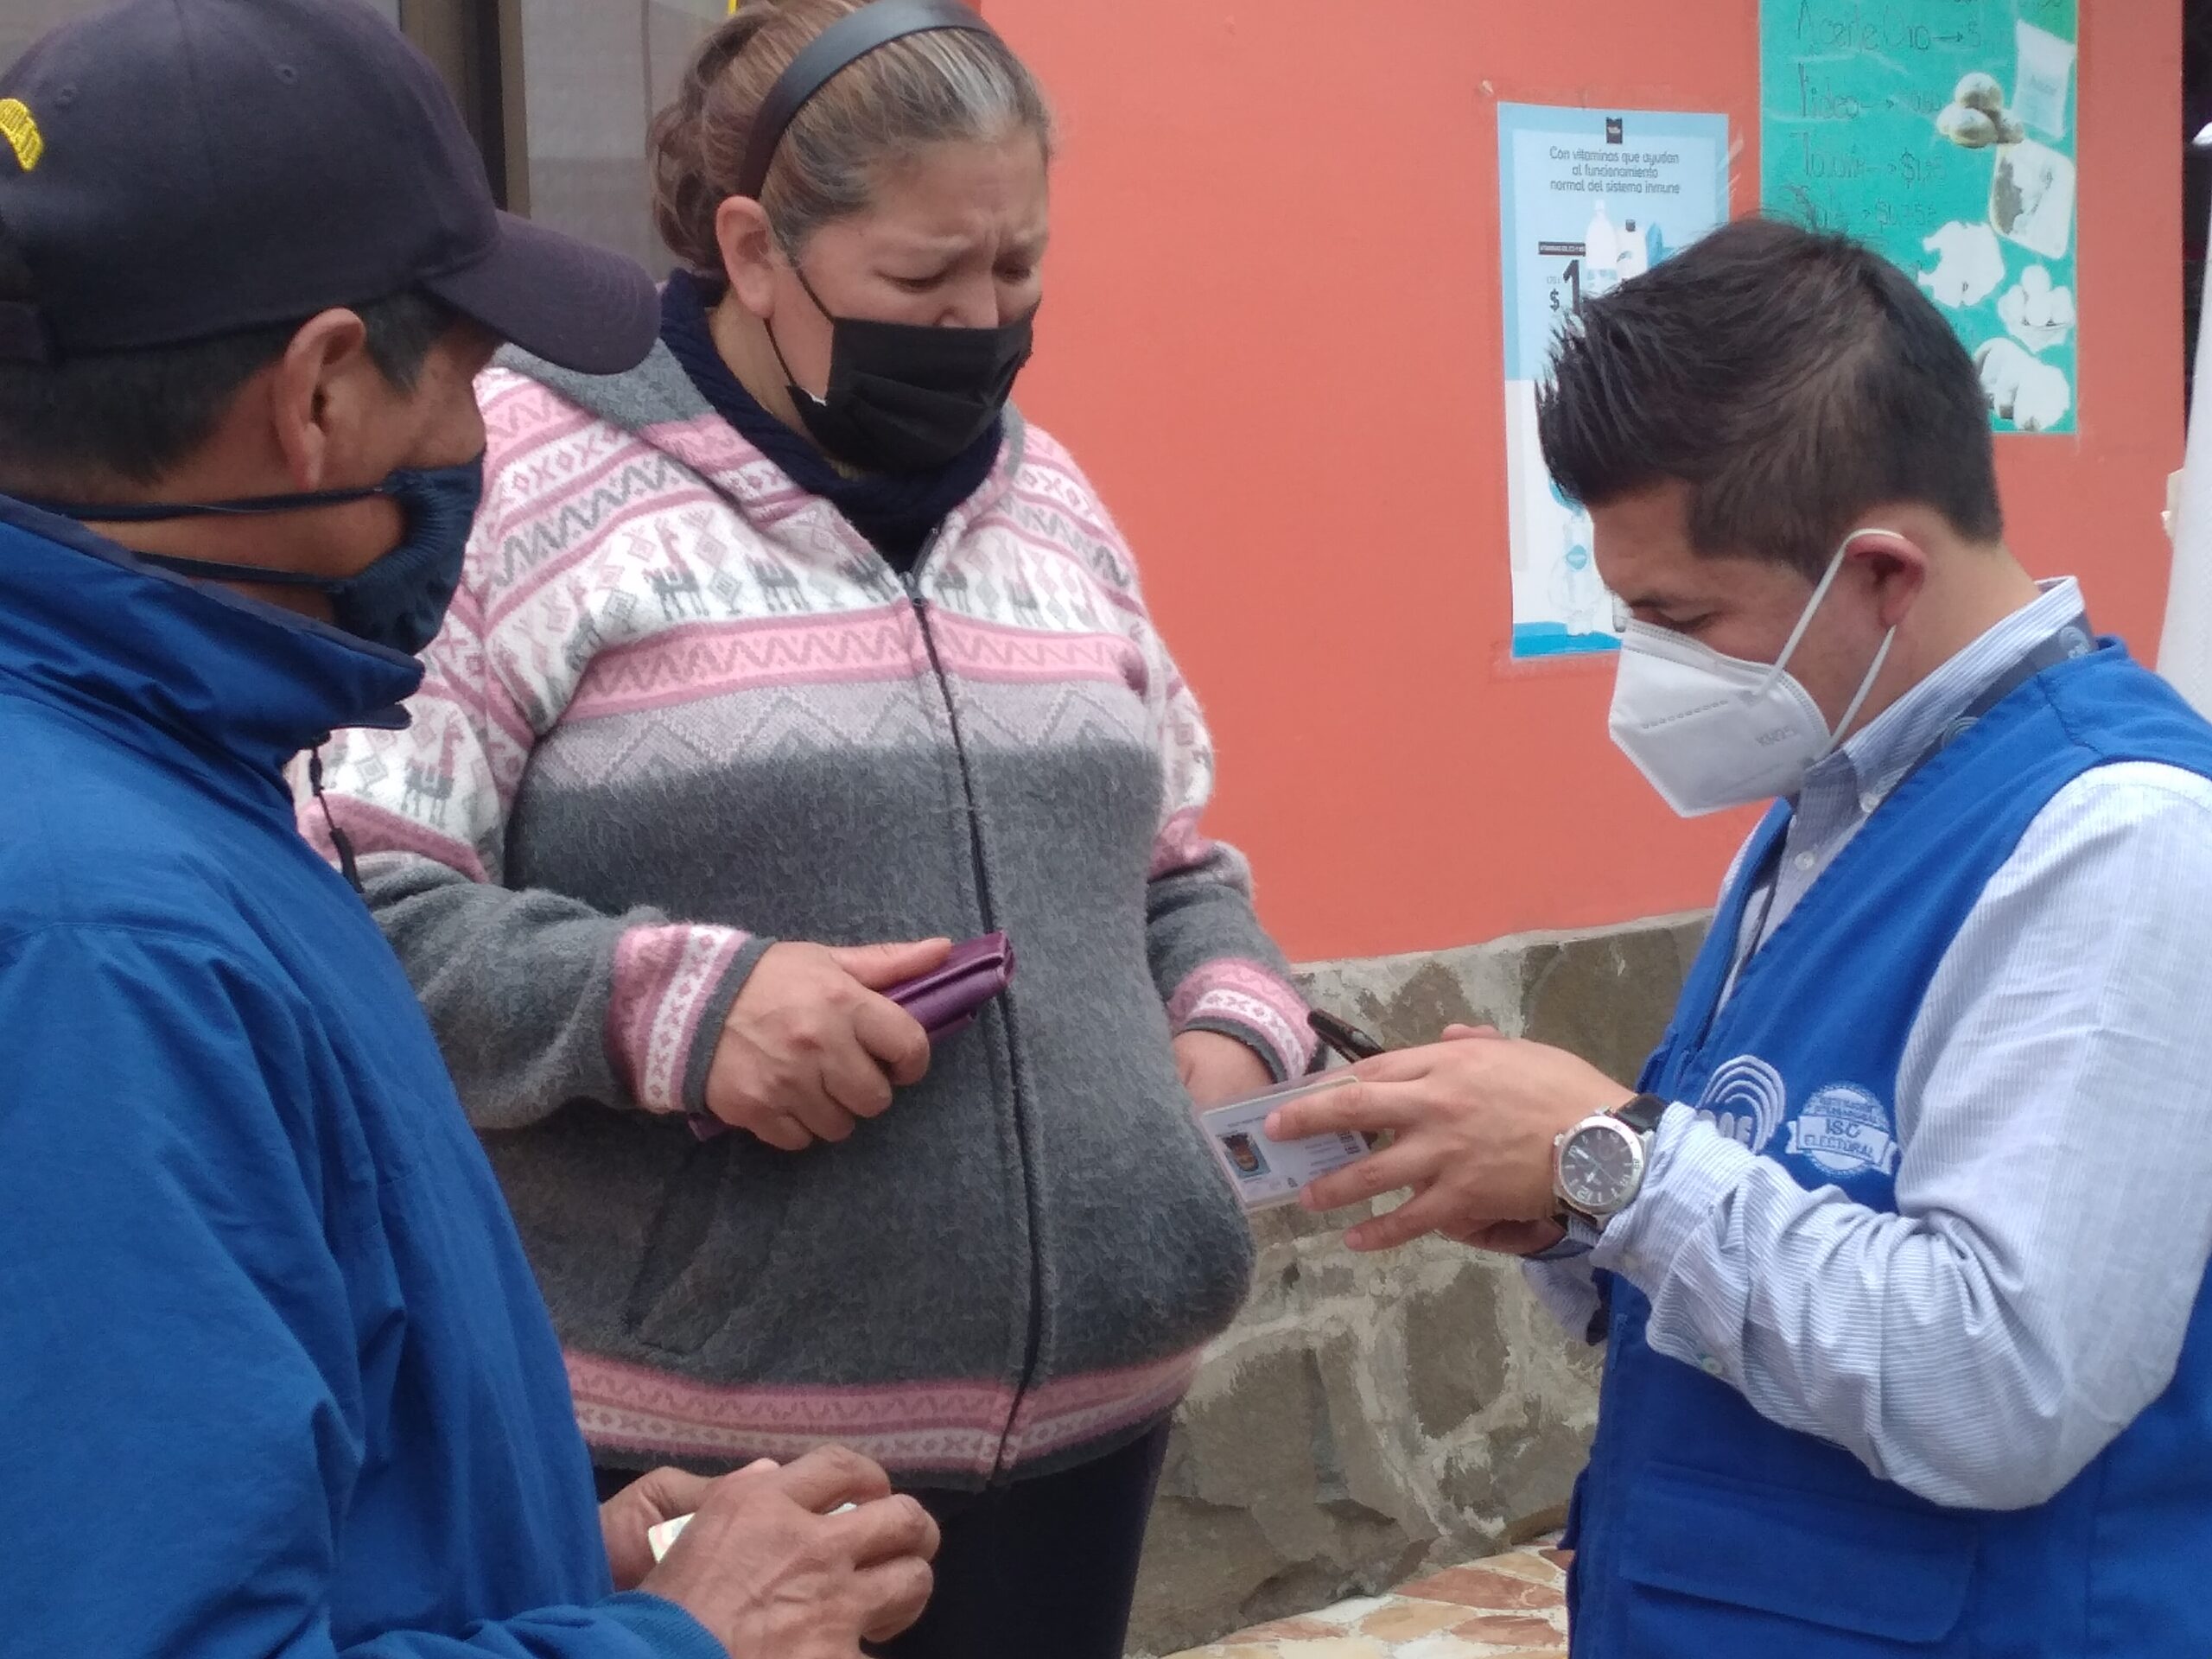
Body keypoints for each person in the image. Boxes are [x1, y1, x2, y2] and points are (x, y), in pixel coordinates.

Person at [308, 3, 1314, 1654]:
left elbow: (1179, 868)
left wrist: (1230, 1033)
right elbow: (357, 915)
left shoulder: (1052, 503)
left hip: (1099, 1437)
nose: (983, 324)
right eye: (927, 281)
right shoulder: (525, 493)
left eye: (1020, 271)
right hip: (709, 1472)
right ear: (754, 247)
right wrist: (676, 1013)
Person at [0, 3, 938, 1654]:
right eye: (477, 383)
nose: (479, 451)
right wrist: (683, 1642)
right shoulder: (100, 940)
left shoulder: (156, 783)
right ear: (321, 393)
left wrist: (530, 1561)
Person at [1270, 217, 2212, 1656]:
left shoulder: (2121, 842)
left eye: (1682, 615)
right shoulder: (1832, 804)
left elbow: (2002, 1384)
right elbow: (1784, 1222)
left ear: (1882, 575)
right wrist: (1568, 1209)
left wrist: (1617, 1160)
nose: (1647, 664)